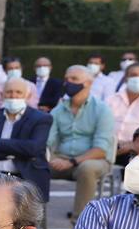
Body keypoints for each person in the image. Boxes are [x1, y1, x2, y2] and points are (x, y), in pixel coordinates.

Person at [48, 65, 116, 219]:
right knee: (33, 165)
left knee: (87, 168)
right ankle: (29, 221)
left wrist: (72, 161)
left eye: (74, 79)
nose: (68, 83)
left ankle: (80, 223)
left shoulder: (102, 110)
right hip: (62, 159)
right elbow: (48, 141)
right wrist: (51, 159)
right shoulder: (58, 110)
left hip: (94, 160)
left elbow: (101, 149)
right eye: (66, 79)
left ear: (88, 83)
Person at [0, 77, 53, 199]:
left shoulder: (41, 118)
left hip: (26, 176)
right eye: (9, 92)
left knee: (30, 216)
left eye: (18, 92)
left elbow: (33, 148)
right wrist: (15, 152)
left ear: (27, 96)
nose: (13, 96)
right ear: (2, 95)